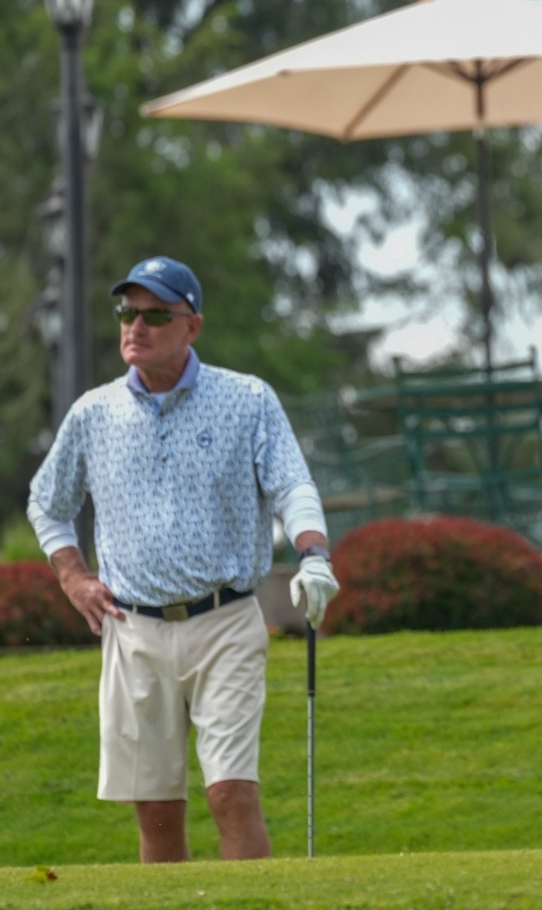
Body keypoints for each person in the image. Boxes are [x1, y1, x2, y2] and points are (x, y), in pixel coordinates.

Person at [27, 256, 341, 863]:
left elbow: (292, 487)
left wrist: (315, 556)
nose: (135, 327)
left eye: (154, 315)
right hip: (133, 628)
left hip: (224, 620)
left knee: (230, 794)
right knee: (157, 811)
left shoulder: (246, 399)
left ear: (191, 326)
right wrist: (72, 576)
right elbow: (48, 503)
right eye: (127, 312)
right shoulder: (94, 413)